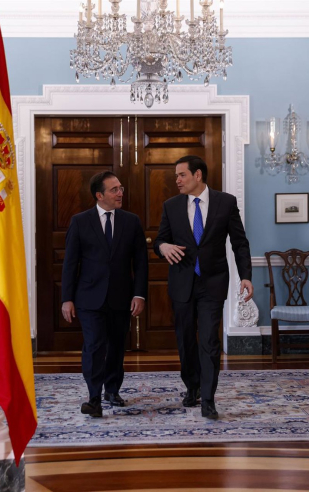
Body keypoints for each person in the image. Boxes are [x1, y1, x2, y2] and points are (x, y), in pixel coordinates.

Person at [154, 155, 253, 420]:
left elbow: (239, 242)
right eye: (176, 176)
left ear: (197, 175)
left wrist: (245, 276)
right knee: (186, 341)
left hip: (213, 284)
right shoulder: (171, 206)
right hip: (182, 284)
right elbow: (160, 241)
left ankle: (208, 399)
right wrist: (163, 247)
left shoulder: (226, 202)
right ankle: (192, 386)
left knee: (209, 341)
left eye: (181, 175)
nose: (177, 180)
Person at [61, 171, 148, 418]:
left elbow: (140, 263)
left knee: (117, 346)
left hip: (121, 297)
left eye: (121, 188)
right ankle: (94, 397)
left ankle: (112, 390)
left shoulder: (131, 221)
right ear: (99, 195)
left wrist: (139, 294)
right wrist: (67, 298)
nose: (120, 193)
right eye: (114, 190)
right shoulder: (80, 221)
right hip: (89, 297)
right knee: (94, 345)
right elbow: (70, 263)